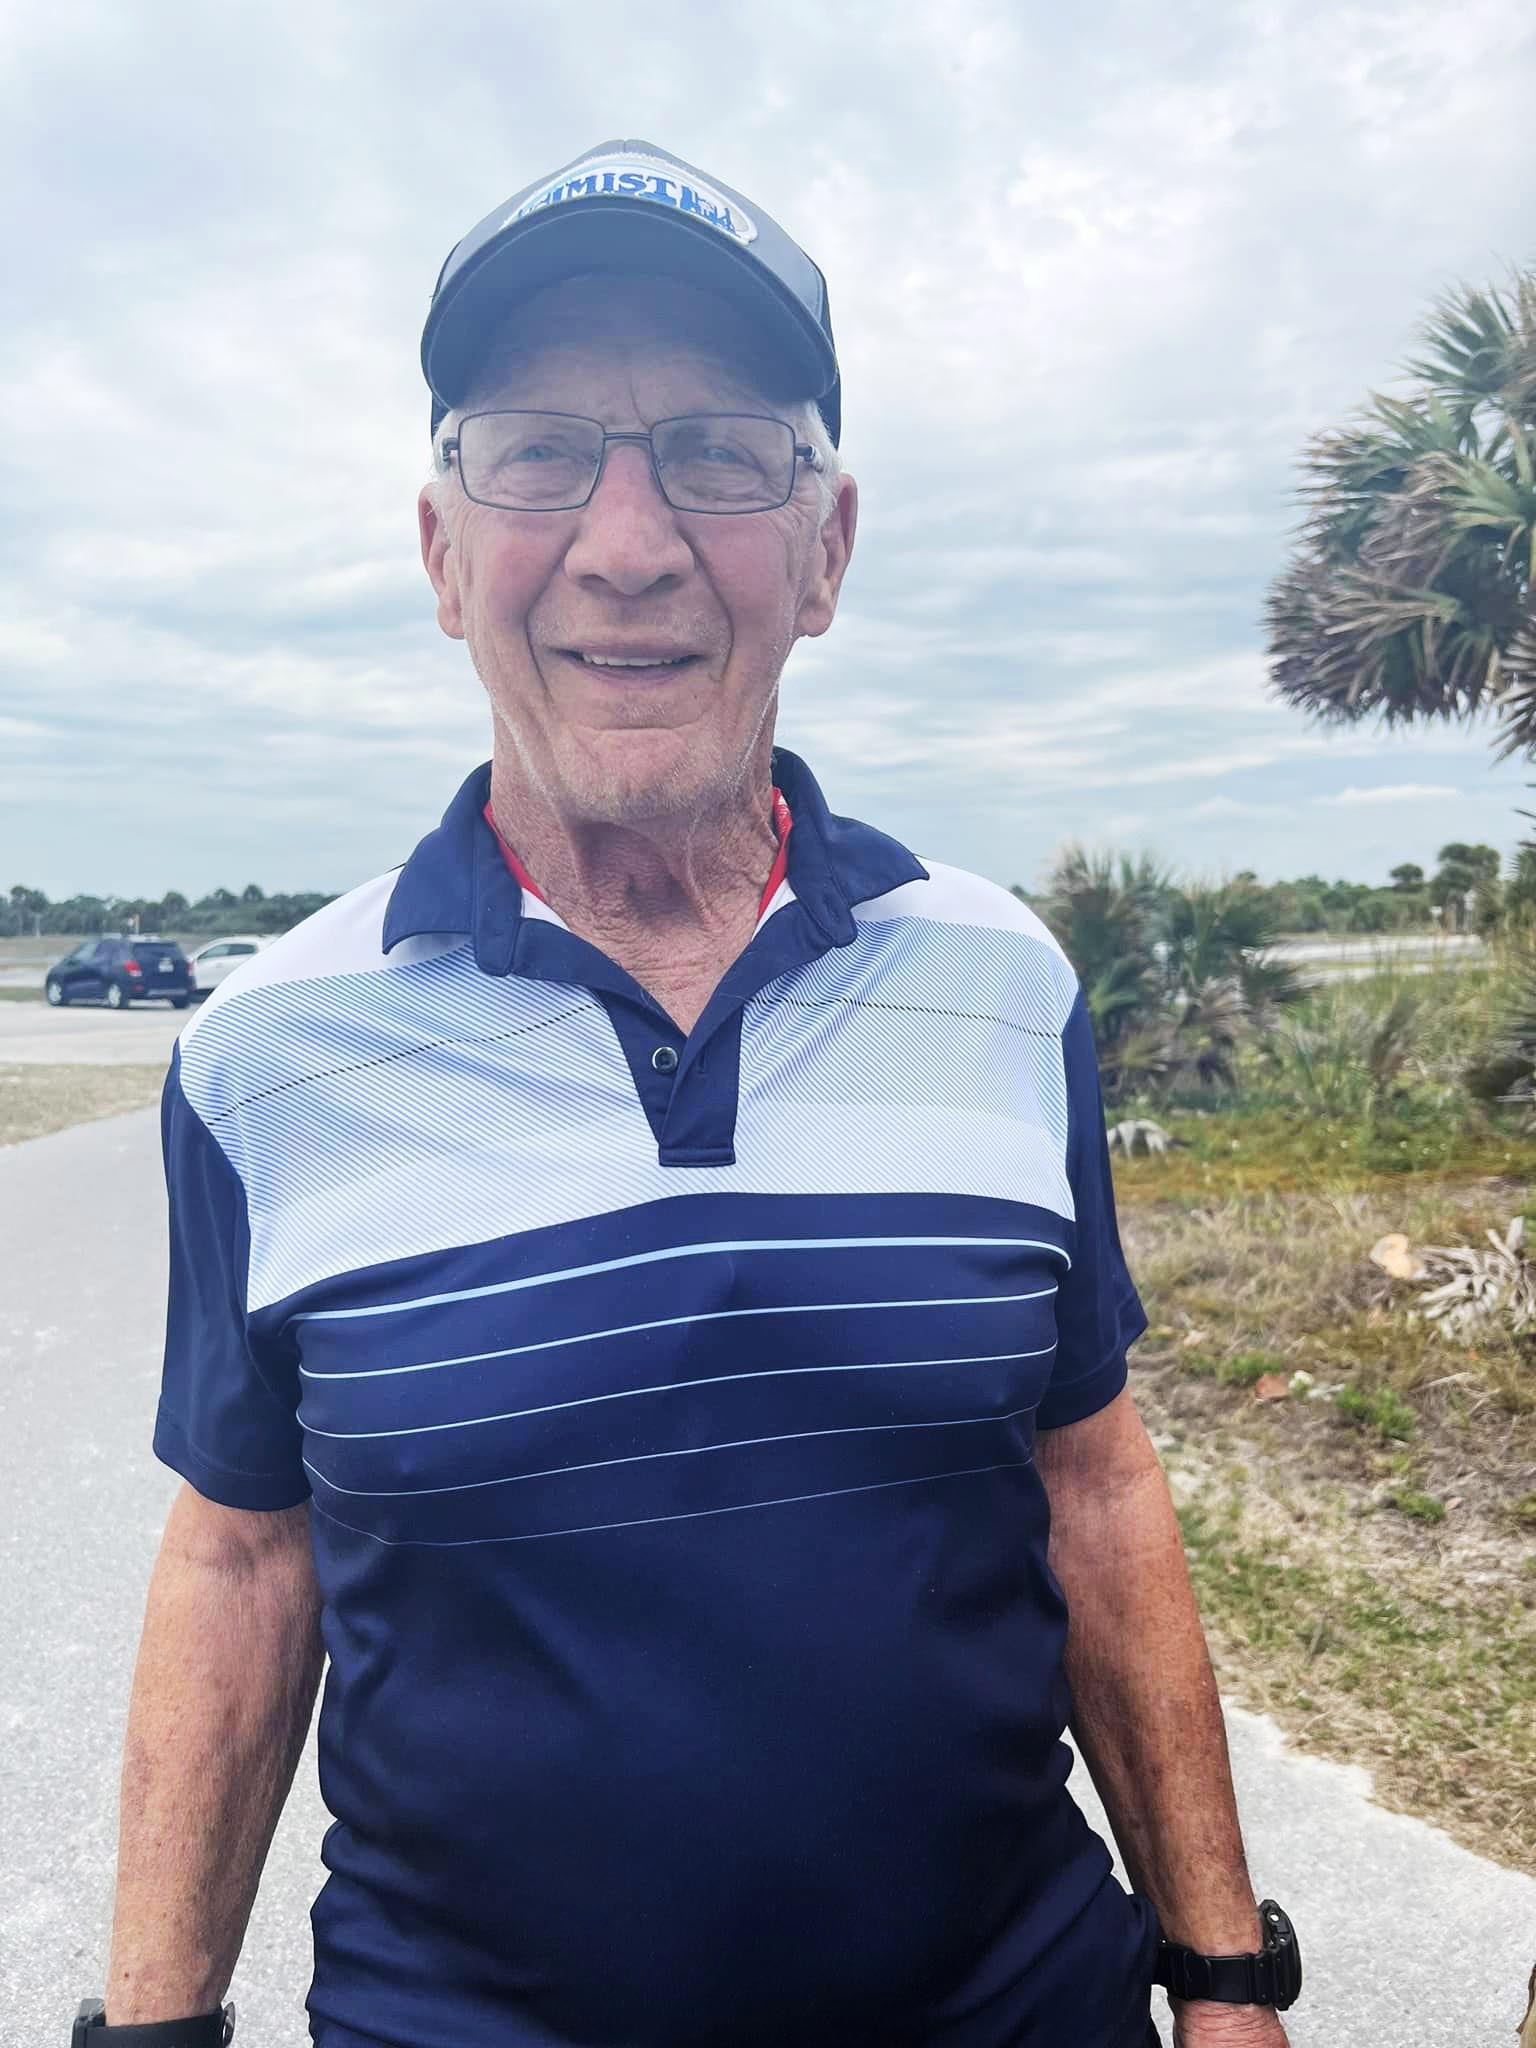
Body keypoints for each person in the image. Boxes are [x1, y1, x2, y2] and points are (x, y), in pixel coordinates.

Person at [83, 141, 1301, 2048]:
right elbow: (245, 1551)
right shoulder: (266, 1049)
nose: (628, 541)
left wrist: (1222, 1975)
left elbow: (1095, 1479)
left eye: (723, 451)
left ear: (825, 553)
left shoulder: (998, 981)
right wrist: (146, 2030)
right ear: (439, 552)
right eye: (540, 450)